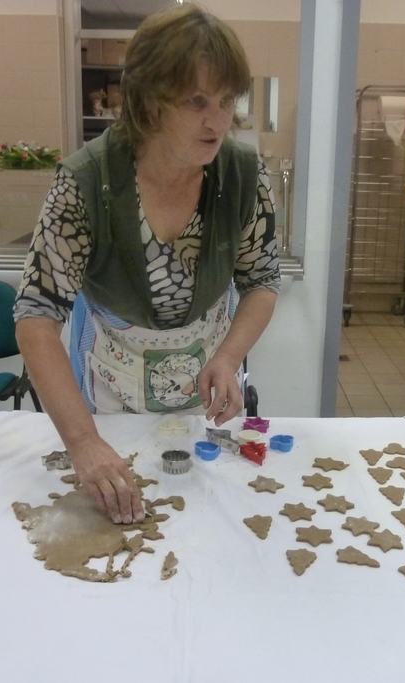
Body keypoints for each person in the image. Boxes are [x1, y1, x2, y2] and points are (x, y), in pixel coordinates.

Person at [14, 4, 280, 526]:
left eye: (227, 100)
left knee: (203, 523)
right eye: (197, 101)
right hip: (112, 388)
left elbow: (262, 281)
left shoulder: (243, 174)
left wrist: (228, 358)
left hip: (205, 382)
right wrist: (83, 442)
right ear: (149, 101)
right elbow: (36, 317)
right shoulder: (86, 181)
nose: (218, 121)